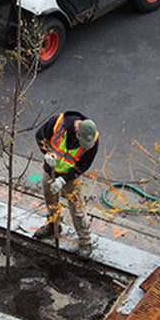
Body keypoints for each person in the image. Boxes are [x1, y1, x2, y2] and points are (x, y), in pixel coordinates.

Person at [32, 111, 99, 259]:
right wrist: (47, 154)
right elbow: (39, 135)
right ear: (77, 131)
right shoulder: (57, 123)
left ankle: (85, 242)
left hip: (70, 178)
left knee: (77, 210)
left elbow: (84, 164)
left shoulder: (92, 139)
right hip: (50, 170)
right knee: (51, 202)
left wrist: (64, 179)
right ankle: (53, 226)